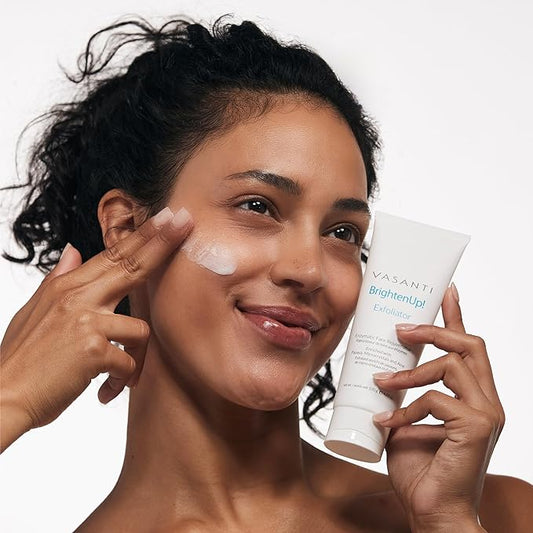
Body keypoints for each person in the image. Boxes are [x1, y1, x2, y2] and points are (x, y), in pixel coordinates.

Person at [0, 15, 531, 532]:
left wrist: (446, 523)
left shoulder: (499, 513)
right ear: (125, 228)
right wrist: (10, 398)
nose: (309, 270)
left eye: (342, 232)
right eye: (257, 206)